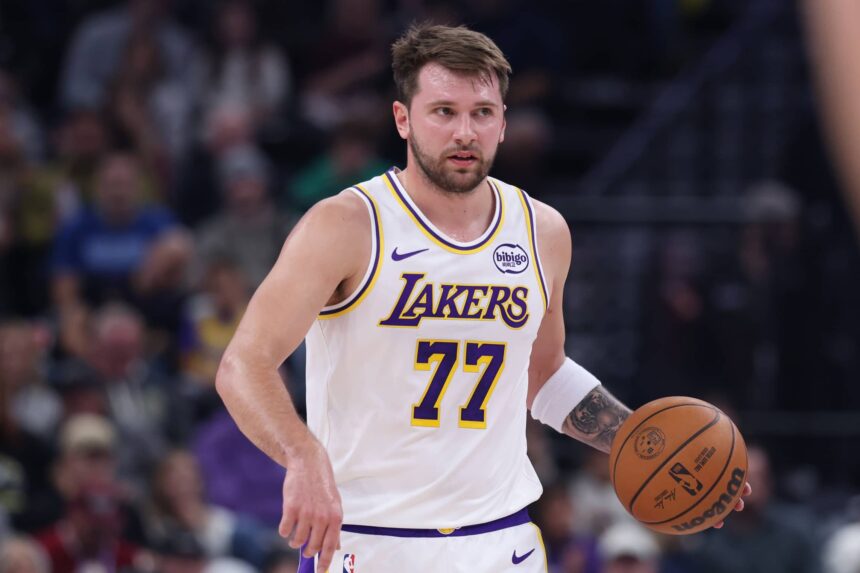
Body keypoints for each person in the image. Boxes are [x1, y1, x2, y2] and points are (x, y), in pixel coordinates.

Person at [215, 24, 750, 572]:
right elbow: (243, 365)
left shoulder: (542, 230)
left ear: (503, 123)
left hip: (499, 541)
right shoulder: (347, 224)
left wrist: (650, 446)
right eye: (444, 111)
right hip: (371, 539)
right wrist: (302, 455)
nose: (465, 131)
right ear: (403, 119)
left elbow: (542, 374)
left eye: (482, 113)